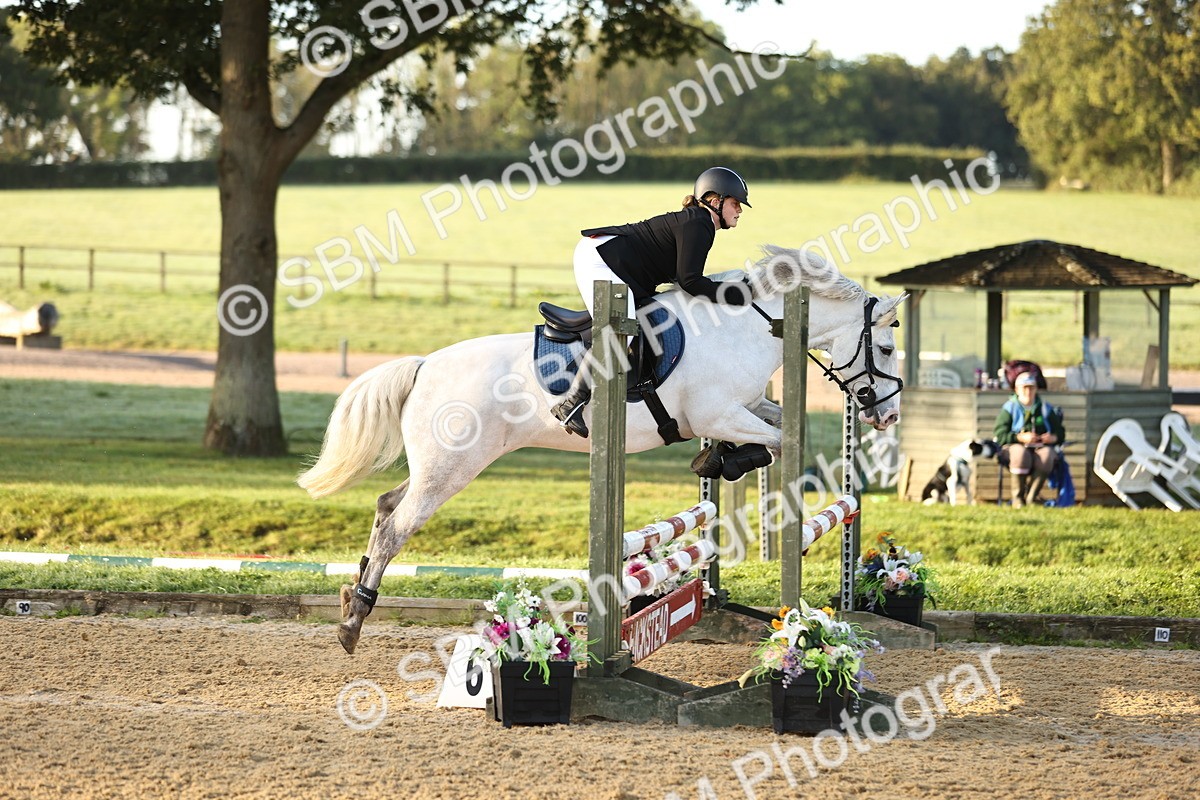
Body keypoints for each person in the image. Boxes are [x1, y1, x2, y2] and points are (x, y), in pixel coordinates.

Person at [551, 166, 754, 438]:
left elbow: (687, 282)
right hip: (601, 258)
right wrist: (739, 295)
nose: (739, 210)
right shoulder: (699, 223)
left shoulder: (699, 222)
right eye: (735, 203)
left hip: (617, 264)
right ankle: (571, 403)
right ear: (715, 201)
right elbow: (691, 282)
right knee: (623, 328)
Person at [993, 371, 1066, 507]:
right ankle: (1018, 498)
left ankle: (1031, 497)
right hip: (1014, 447)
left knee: (1047, 456)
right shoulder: (1010, 408)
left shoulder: (1045, 407)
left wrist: (1052, 438)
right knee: (1020, 455)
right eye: (1024, 388)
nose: (1028, 391)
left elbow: (1060, 433)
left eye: (1031, 387)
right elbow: (1000, 435)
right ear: (1017, 389)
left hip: (1040, 447)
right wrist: (1020, 438)